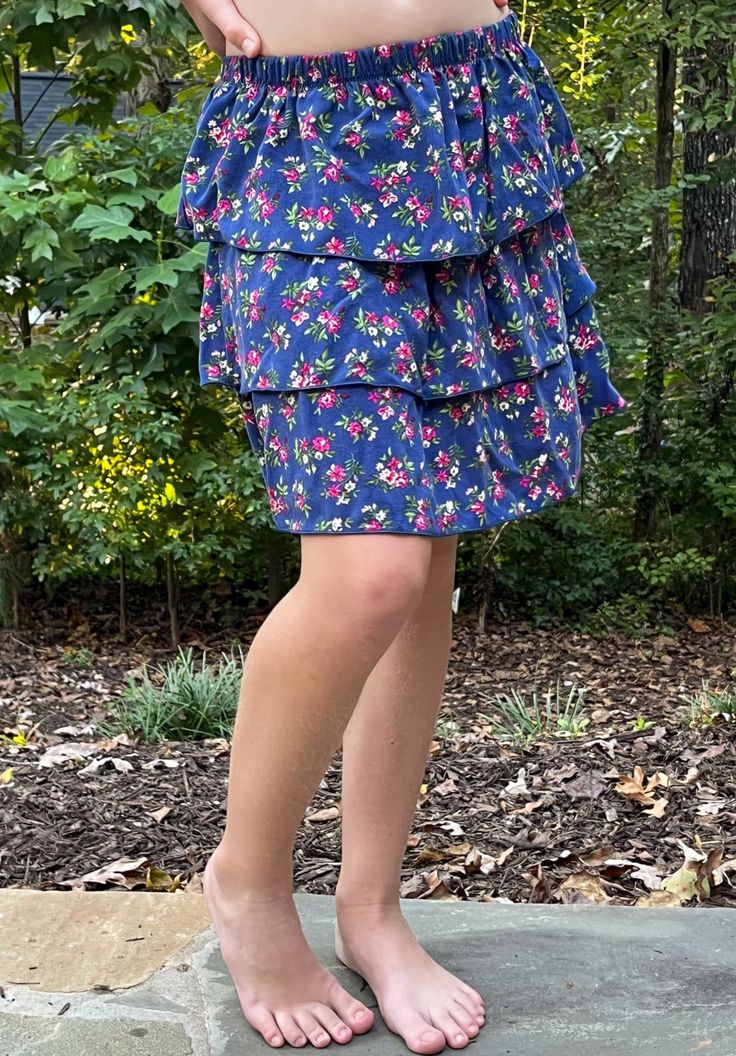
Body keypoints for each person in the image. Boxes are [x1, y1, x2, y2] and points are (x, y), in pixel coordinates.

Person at [175, 2, 627, 1052]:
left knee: (425, 555)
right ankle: (246, 880)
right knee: (370, 571)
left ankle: (370, 904)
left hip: (470, 111)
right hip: (306, 140)